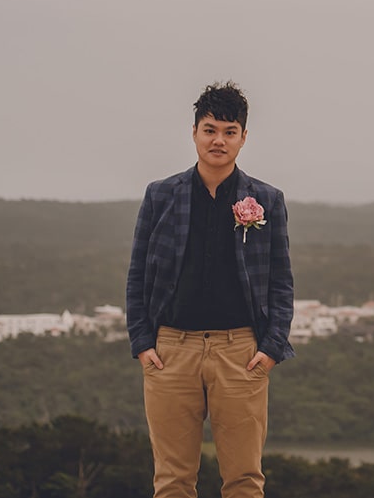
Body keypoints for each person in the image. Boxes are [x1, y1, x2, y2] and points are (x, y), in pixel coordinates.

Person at [126, 81, 294, 498]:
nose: (219, 140)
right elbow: (137, 276)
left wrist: (272, 347)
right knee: (172, 481)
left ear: (243, 137)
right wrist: (142, 342)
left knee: (243, 481)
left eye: (229, 131)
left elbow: (280, 281)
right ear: (195, 132)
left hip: (240, 352)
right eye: (210, 129)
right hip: (170, 352)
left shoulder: (266, 200)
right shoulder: (161, 196)